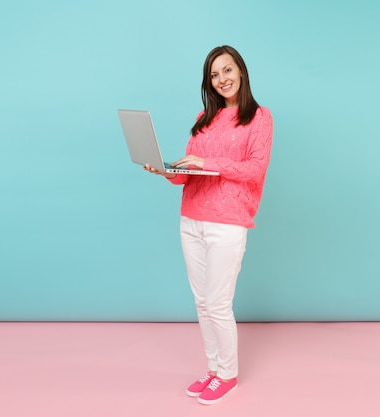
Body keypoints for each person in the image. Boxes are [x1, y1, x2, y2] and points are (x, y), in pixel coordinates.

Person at [144, 45, 273, 405]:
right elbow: (190, 176)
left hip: (227, 221)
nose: (222, 80)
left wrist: (206, 161)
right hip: (191, 218)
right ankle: (214, 368)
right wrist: (167, 171)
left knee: (218, 303)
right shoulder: (204, 118)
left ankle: (228, 375)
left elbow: (254, 170)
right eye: (214, 75)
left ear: (241, 72)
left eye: (227, 71)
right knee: (202, 302)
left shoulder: (259, 117)